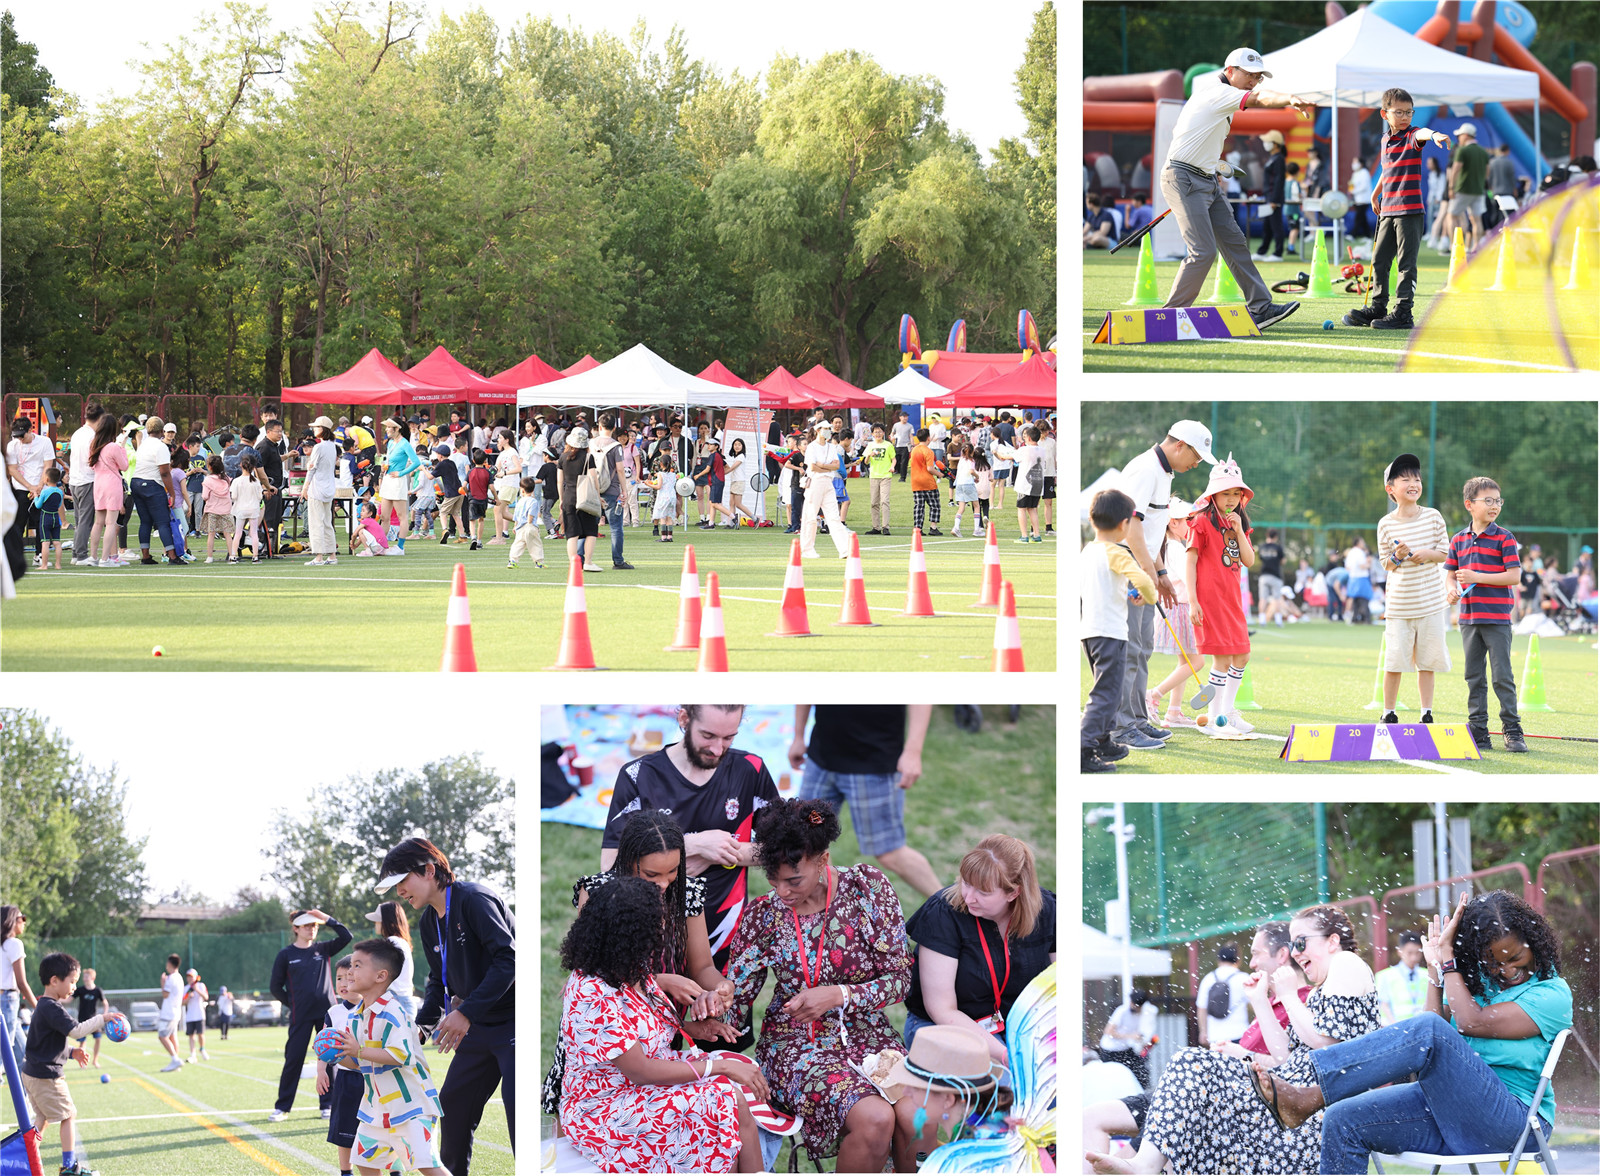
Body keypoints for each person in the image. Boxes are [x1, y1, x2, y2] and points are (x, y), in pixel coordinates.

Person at [1247, 891, 1572, 1176]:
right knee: (1343, 1118)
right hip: (1453, 1111)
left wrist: (1448, 961)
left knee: (1429, 1031)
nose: (1506, 970)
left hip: (1512, 1122)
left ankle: (1311, 1092)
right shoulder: (1479, 987)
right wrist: (1434, 969)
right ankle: (1317, 1097)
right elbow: (1429, 1036)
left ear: (1534, 941)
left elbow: (1470, 1023)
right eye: (1492, 963)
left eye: (1515, 957)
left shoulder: (1552, 994)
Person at [1085, 904, 1381, 1175]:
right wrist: (1261, 1001)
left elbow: (1325, 1046)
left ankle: (1145, 1165)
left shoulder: (1345, 963)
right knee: (1188, 1078)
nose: (1296, 953)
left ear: (1332, 941)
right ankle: (1144, 1164)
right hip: (1283, 1110)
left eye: (1301, 943)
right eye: (1293, 945)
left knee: (1191, 1063)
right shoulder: (1321, 989)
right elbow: (1289, 1058)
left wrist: (1287, 998)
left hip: (1303, 1125)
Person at [720, 799, 913, 1172]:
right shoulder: (764, 914)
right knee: (875, 1119)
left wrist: (839, 995)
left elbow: (899, 981)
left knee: (915, 1112)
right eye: (773, 880)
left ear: (823, 860)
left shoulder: (866, 889)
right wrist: (712, 1003)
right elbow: (735, 997)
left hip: (868, 1035)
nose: (783, 893)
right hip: (795, 1044)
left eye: (794, 880)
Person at [557, 875, 768, 1173]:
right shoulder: (591, 990)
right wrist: (718, 1067)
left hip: (636, 1090)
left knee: (728, 1095)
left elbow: (637, 1027)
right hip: (603, 1110)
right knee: (723, 1097)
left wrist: (692, 1028)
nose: (664, 929)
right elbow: (639, 1070)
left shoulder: (630, 968)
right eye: (658, 925)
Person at [543, 809, 742, 1120]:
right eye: (652, 875)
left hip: (659, 1031)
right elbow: (594, 969)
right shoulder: (600, 894)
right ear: (629, 861)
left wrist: (718, 987)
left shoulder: (686, 894)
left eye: (673, 872)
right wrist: (660, 981)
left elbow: (702, 967)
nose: (664, 884)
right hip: (609, 1034)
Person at [600, 705, 780, 979]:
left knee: (721, 1019)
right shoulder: (638, 776)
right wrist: (692, 844)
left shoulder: (750, 770)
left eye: (729, 737)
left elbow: (781, 850)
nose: (718, 749)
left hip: (725, 934)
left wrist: (719, 851)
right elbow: (611, 866)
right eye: (708, 735)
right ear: (684, 719)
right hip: (654, 935)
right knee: (660, 1021)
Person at [376, 837, 515, 1175]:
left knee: (520, 1118)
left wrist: (466, 1013)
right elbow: (437, 981)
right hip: (478, 1029)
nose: (400, 894)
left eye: (401, 882)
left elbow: (509, 960)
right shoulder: (428, 921)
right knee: (452, 1109)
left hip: (513, 1025)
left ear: (428, 870)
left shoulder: (475, 899)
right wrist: (418, 1031)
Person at [1158, 49, 1309, 330]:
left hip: (1203, 178)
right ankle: (1169, 318)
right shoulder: (1217, 92)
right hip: (1183, 177)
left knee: (1235, 243)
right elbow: (1260, 98)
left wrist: (1212, 164)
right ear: (1230, 71)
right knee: (1202, 252)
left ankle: (1261, 308)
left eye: (1258, 77)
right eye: (1249, 75)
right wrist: (1289, 99)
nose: (1254, 81)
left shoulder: (1219, 95)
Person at [905, 834, 1055, 1071]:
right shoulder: (943, 913)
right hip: (945, 1029)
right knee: (1006, 1088)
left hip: (1020, 1030)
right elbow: (942, 1010)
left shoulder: (1047, 910)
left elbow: (1057, 991)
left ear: (1013, 893)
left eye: (983, 893)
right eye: (966, 882)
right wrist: (1007, 1057)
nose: (969, 897)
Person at [1111, 421, 1214, 752]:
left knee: (1143, 648)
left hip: (1143, 569)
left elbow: (1152, 532)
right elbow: (1130, 526)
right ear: (1180, 445)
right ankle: (1122, 726)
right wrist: (1146, 573)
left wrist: (1162, 573)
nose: (1197, 464)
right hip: (1127, 569)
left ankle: (1137, 720)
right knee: (1129, 650)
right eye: (1197, 456)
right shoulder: (1145, 470)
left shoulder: (1165, 472)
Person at [326, 938, 448, 1176]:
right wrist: (336, 1054)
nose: (349, 971)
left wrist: (357, 1050)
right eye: (350, 965)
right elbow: (358, 1063)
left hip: (412, 1106)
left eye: (358, 965)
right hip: (376, 1109)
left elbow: (399, 1055)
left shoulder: (394, 1012)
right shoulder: (355, 1017)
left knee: (428, 1166)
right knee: (365, 1161)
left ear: (380, 976)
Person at [790, 705, 940, 897]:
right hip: (821, 759)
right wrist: (798, 736)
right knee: (808, 841)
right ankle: (831, 909)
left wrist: (913, 751)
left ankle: (954, 911)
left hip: (874, 764)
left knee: (890, 853)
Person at [1342, 91, 1454, 331]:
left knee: (1406, 263)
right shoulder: (1384, 140)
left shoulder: (1413, 135)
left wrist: (1434, 135)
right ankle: (1378, 307)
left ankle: (1404, 312)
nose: (1405, 117)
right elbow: (1386, 168)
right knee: (1379, 260)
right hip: (1387, 209)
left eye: (1409, 112)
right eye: (1399, 112)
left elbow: (1422, 132)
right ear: (1385, 114)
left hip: (1410, 210)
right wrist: (1375, 192)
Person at [21, 951, 120, 1176]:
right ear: (55, 980)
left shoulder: (44, 1006)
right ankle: (69, 1167)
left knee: (42, 1118)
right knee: (68, 1115)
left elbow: (44, 1044)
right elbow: (76, 1030)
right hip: (46, 1076)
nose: (74, 987)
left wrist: (71, 1051)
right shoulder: (51, 1007)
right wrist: (102, 1019)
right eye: (72, 982)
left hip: (33, 1073)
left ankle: (27, 1156)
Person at [1446, 476, 1526, 752]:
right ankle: (1479, 731)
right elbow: (1450, 575)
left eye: (1498, 501)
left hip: (1497, 619)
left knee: (1502, 676)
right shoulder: (1457, 540)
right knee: (1474, 677)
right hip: (1468, 619)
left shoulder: (1504, 537)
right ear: (1469, 504)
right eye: (1488, 501)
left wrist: (1476, 576)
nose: (1495, 506)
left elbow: (1513, 576)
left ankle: (1513, 731)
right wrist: (1452, 589)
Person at [1082, 488, 1158, 772]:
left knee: (1108, 691)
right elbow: (1144, 580)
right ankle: (1083, 749)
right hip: (1111, 633)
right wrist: (1149, 595)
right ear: (1125, 524)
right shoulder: (1117, 552)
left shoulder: (1087, 552)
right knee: (1105, 694)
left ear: (1092, 520)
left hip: (1089, 632)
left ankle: (1103, 741)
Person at [1376, 451, 1451, 724]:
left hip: (1431, 602)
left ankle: (1426, 713)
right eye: (1405, 479)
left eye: (1417, 479)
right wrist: (1398, 556)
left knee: (1427, 662)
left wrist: (1426, 554)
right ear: (1391, 489)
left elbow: (1445, 552)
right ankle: (1388, 712)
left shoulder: (1432, 517)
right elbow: (1387, 563)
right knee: (1394, 661)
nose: (1413, 483)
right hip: (1399, 604)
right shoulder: (1385, 524)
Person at [1186, 454, 1257, 735]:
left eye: (1236, 494)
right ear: (1213, 494)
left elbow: (1249, 560)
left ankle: (1226, 712)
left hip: (1232, 600)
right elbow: (1190, 561)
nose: (1231, 499)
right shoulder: (1201, 522)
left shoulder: (1238, 523)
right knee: (1222, 659)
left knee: (1242, 656)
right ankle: (1215, 719)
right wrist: (1193, 601)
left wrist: (1239, 530)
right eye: (1225, 493)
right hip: (1209, 599)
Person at [268, 908, 352, 1121]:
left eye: (314, 925)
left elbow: (346, 936)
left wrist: (326, 918)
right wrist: (294, 1003)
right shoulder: (285, 955)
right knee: (293, 1059)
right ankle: (282, 1107)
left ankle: (327, 1104)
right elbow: (275, 987)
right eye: (307, 925)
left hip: (327, 1015)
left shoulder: (323, 949)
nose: (312, 929)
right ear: (295, 928)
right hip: (301, 1015)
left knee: (330, 1058)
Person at [886, 1024, 1004, 1174]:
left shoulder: (966, 1162)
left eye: (916, 1087)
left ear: (947, 1099)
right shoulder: (986, 1132)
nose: (906, 1091)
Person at [1144, 498, 1200, 727]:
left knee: (1185, 662)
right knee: (1196, 662)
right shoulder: (1176, 548)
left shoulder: (1172, 546)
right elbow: (1188, 579)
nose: (1192, 523)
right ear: (1173, 523)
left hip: (1178, 608)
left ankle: (1174, 712)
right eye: (1188, 520)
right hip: (1180, 609)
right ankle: (1154, 695)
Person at [317, 959, 362, 1175]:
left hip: (373, 1079)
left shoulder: (373, 1009)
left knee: (383, 1131)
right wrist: (320, 1071)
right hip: (346, 1080)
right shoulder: (334, 1012)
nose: (343, 983)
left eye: (350, 978)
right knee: (344, 1131)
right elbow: (323, 1044)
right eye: (339, 978)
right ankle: (346, 1172)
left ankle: (394, 1170)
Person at [127, 417, 184, 565]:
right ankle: (172, 556)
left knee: (145, 521)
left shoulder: (143, 445)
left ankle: (145, 555)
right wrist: (172, 493)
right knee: (163, 521)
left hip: (136, 482)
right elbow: (164, 472)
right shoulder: (160, 447)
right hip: (152, 484)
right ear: (161, 431)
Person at [7, 415, 56, 570]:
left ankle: (40, 555)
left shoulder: (44, 442)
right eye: (17, 436)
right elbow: (12, 469)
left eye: (22, 436)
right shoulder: (12, 445)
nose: (20, 439)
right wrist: (29, 487)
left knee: (41, 522)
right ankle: (13, 556)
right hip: (21, 488)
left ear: (30, 430)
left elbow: (48, 465)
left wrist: (39, 486)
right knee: (18, 523)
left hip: (41, 488)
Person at [798, 424, 853, 558]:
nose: (828, 431)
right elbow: (812, 466)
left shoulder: (831, 447)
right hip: (815, 482)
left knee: (834, 516)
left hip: (829, 482)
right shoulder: (812, 447)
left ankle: (844, 549)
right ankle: (807, 549)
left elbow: (837, 465)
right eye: (825, 429)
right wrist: (826, 467)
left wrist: (822, 465)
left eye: (829, 429)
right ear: (818, 430)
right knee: (810, 516)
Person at [556, 426, 601, 571]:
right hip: (585, 497)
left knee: (571, 533)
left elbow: (559, 481)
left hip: (569, 496)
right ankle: (587, 562)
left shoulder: (562, 458)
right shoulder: (588, 457)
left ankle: (573, 563)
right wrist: (598, 496)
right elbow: (594, 479)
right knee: (591, 531)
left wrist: (561, 499)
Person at [363, 901, 416, 1020]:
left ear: (386, 922)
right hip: (400, 1000)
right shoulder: (400, 941)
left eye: (378, 920)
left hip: (397, 1000)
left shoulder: (393, 942)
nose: (375, 924)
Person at [65, 403, 104, 566]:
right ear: (100, 418)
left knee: (79, 519)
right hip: (87, 479)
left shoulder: (77, 433)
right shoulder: (92, 436)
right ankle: (81, 555)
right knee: (85, 521)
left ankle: (76, 553)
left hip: (74, 480)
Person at [377, 417, 421, 554]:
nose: (386, 430)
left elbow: (416, 462)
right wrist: (384, 468)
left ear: (397, 429)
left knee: (402, 516)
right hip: (388, 480)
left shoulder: (405, 444)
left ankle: (400, 547)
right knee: (384, 516)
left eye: (389, 427)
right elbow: (388, 460)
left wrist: (401, 473)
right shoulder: (390, 443)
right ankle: (381, 545)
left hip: (397, 481)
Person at [1097, 989, 1157, 1088]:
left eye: (1136, 1005)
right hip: (1110, 1050)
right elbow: (1108, 1031)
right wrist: (1130, 1036)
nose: (1132, 1006)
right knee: (1111, 1078)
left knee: (1137, 1074)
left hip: (1126, 1048)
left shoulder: (1144, 1013)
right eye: (1132, 1003)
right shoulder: (1122, 1011)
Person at [303, 416, 340, 566]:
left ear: (322, 429)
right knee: (326, 522)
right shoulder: (333, 445)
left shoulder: (319, 447)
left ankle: (318, 556)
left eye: (317, 427)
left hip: (317, 488)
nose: (314, 429)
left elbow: (312, 469)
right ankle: (332, 555)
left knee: (316, 522)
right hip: (329, 487)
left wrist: (305, 487)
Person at [1447, 123, 1490, 253]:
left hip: (1462, 190)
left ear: (1465, 135)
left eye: (1459, 135)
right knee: (1476, 219)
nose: (1458, 138)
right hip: (1478, 190)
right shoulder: (1483, 152)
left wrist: (1451, 187)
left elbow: (1455, 170)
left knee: (1451, 216)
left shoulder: (1463, 150)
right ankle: (1476, 246)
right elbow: (1487, 172)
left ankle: (1454, 245)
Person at [1197, 944, 1250, 1049]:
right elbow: (1256, 1004)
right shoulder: (1243, 978)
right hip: (1239, 1033)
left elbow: (1201, 1008)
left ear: (1219, 959)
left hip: (1215, 1036)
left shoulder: (1208, 978)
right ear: (1237, 959)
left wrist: (1203, 1032)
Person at [1374, 930, 1429, 1026]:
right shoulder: (1384, 976)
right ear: (1399, 951)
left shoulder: (1428, 975)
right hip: (1396, 1028)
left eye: (1417, 953)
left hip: (1422, 1027)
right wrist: (1395, 1027)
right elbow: (1383, 1005)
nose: (1414, 958)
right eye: (1410, 953)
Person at [1, 906, 36, 1057]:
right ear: (12, 921)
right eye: (23, 918)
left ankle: (25, 1082)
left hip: (7, 1001)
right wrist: (38, 1006)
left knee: (22, 1054)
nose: (24, 922)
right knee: (4, 1055)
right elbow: (22, 983)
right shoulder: (14, 944)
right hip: (8, 1000)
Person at [1254, 130, 1287, 259]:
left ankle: (1278, 253)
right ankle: (1262, 251)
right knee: (1267, 226)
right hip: (1268, 197)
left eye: (1268, 142)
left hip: (1274, 198)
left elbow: (1279, 180)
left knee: (1276, 226)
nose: (1265, 144)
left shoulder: (1279, 159)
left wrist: (1274, 200)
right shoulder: (1272, 158)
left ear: (1275, 144)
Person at [505, 475, 545, 569]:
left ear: (522, 490)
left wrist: (515, 526)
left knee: (518, 544)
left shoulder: (520, 501)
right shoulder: (533, 501)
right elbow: (531, 515)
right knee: (535, 544)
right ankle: (539, 562)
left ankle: (512, 560)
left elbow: (516, 515)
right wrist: (532, 524)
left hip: (520, 526)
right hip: (529, 525)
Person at [71, 968, 108, 1068]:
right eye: (84, 976)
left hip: (94, 1020)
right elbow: (68, 999)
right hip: (82, 1020)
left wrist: (105, 1015)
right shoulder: (80, 990)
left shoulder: (98, 990)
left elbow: (105, 1003)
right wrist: (56, 998)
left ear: (93, 977)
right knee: (82, 1042)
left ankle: (95, 1061)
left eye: (87, 976)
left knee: (98, 1039)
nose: (84, 978)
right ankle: (83, 1062)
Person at [30, 469, 64, 571]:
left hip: (46, 517)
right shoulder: (60, 491)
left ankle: (44, 565)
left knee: (45, 542)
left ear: (47, 479)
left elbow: (38, 505)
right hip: (55, 517)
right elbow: (59, 505)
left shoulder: (45, 491)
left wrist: (36, 497)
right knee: (57, 542)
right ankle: (58, 564)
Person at [647, 452, 678, 542]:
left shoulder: (661, 474)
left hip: (663, 497)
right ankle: (670, 537)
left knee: (662, 517)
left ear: (661, 464)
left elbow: (658, 486)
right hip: (672, 497)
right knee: (669, 517)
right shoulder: (673, 475)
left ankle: (663, 537)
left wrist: (649, 485)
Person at [464, 448, 492, 550]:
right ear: (485, 461)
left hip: (472, 498)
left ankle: (473, 538)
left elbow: (464, 485)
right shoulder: (487, 473)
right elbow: (492, 487)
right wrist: (496, 498)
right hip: (483, 499)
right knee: (481, 519)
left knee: (472, 520)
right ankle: (479, 541)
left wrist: (467, 493)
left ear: (473, 460)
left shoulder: (470, 472)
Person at [182, 967, 210, 1062]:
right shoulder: (186, 988)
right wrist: (189, 997)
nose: (189, 978)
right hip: (190, 1016)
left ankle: (202, 1049)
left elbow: (206, 997)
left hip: (199, 1014)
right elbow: (182, 1002)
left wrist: (197, 990)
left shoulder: (201, 985)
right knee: (191, 1035)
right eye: (188, 977)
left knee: (200, 1034)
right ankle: (193, 1055)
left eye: (191, 976)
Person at [1348, 155, 1374, 240]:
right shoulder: (1355, 173)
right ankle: (1367, 235)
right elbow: (1352, 185)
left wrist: (1354, 191)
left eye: (1355, 162)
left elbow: (1364, 186)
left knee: (1358, 218)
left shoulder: (1364, 172)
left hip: (1364, 200)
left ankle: (1353, 235)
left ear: (1361, 164)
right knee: (1362, 218)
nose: (1353, 164)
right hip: (1357, 200)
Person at [891, 411, 914, 481]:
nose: (906, 418)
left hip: (905, 446)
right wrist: (892, 437)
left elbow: (911, 436)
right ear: (900, 417)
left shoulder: (910, 426)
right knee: (896, 460)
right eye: (904, 416)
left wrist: (912, 445)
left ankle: (902, 477)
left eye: (906, 416)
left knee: (904, 462)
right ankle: (895, 471)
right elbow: (892, 433)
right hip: (897, 445)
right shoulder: (896, 425)